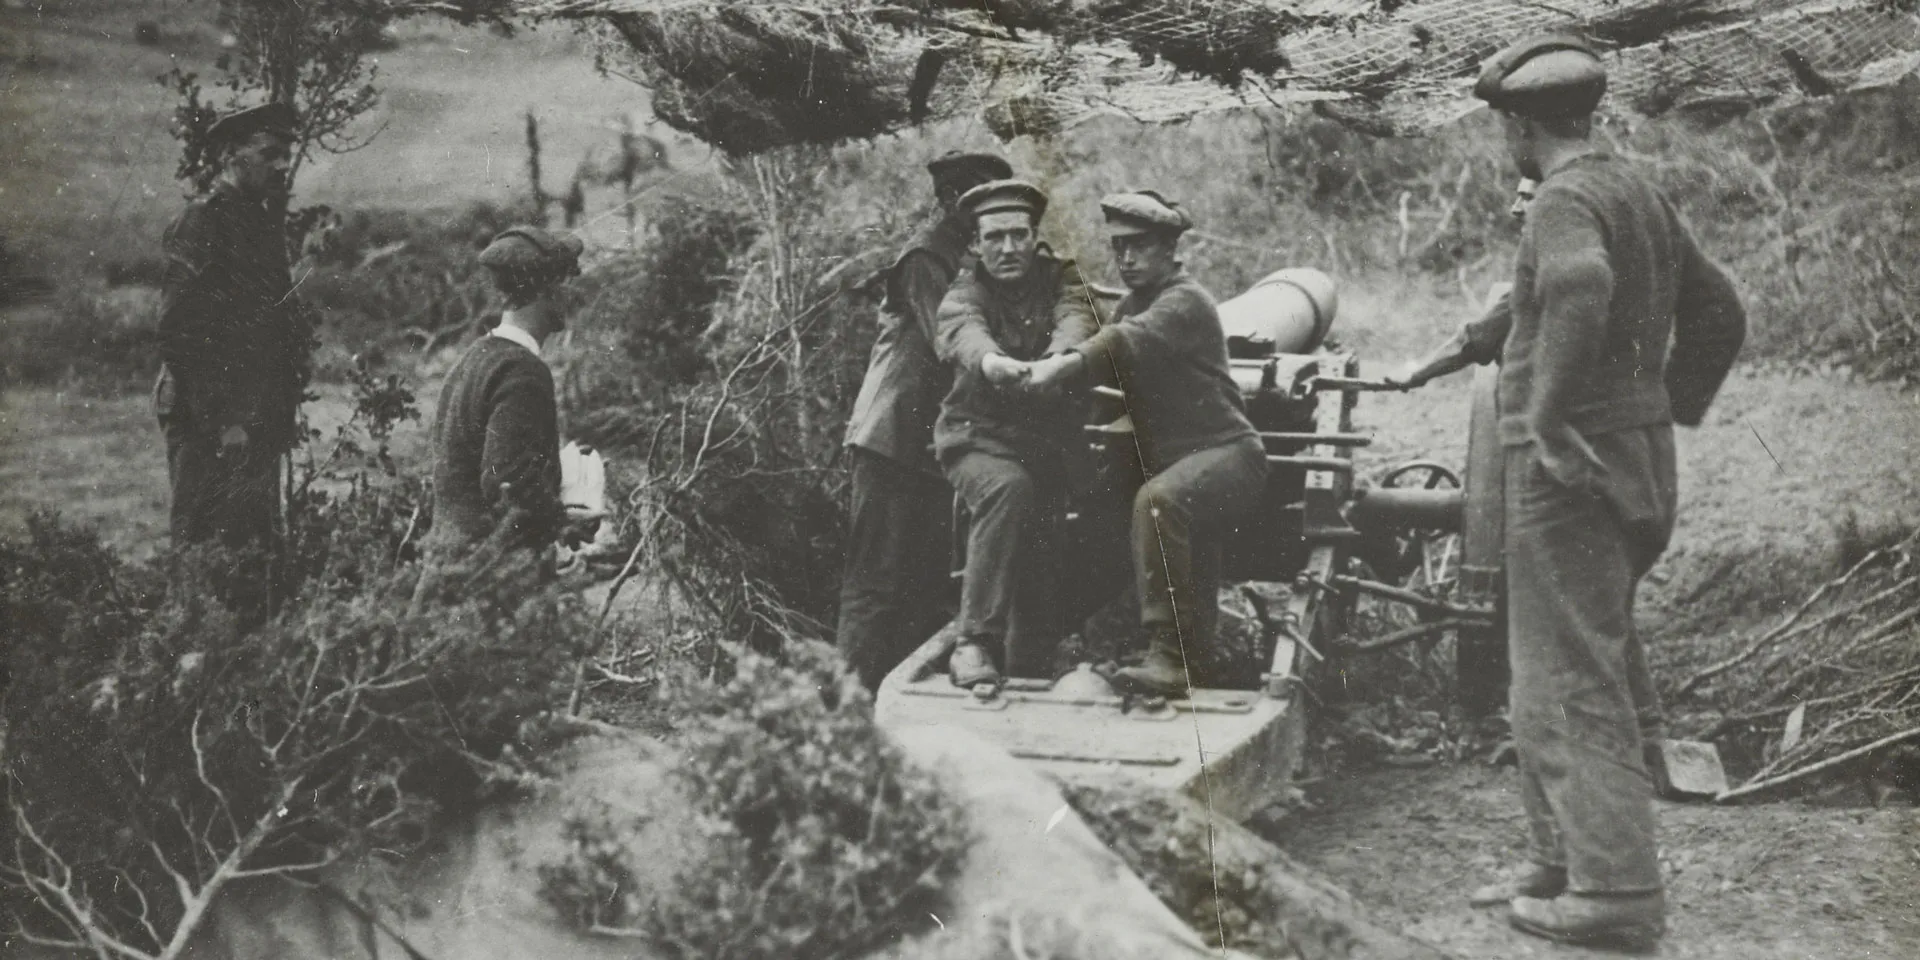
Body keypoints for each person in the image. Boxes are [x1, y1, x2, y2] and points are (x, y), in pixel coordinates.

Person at [1398, 33, 1746, 949]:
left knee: (1567, 679)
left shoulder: (1560, 199)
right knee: (1550, 664)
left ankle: (1615, 893)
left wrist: (1552, 422)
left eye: (1502, 128)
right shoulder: (1632, 191)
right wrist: (1657, 407)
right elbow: (1720, 309)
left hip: (1565, 471)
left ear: (1519, 126)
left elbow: (1579, 287)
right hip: (1630, 460)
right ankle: (1559, 862)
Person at [1023, 190, 1267, 697]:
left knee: (1158, 504)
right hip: (1186, 460)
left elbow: (1117, 345)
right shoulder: (1137, 303)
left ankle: (1169, 657)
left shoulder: (1184, 300)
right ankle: (1186, 661)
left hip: (1229, 454)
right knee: (1151, 517)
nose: (1127, 259)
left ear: (1170, 248)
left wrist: (1061, 366)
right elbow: (1108, 380)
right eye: (1118, 248)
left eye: (1139, 246)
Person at [837, 149, 1013, 691]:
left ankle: (893, 705)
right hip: (892, 440)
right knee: (876, 584)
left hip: (933, 446)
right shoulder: (927, 259)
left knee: (922, 583)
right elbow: (954, 340)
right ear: (947, 202)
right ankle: (847, 711)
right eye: (975, 199)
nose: (986, 211)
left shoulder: (969, 260)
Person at [934, 179, 1100, 687]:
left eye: (1018, 236)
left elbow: (1079, 315)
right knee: (1007, 490)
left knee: (1044, 546)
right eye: (994, 238)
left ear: (1035, 237)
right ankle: (973, 643)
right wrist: (992, 362)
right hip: (975, 440)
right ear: (977, 245)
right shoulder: (966, 291)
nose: (1007, 249)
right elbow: (962, 331)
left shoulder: (1061, 277)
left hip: (1045, 447)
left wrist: (1058, 361)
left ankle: (1030, 665)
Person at [156, 102, 308, 561]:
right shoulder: (204, 221)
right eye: (268, 152)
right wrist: (224, 420)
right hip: (211, 416)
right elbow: (182, 333)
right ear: (228, 155)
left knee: (250, 551)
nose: (281, 164)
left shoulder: (260, 221)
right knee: (203, 549)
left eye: (286, 153)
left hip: (253, 415)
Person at [418, 226, 589, 589]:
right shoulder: (522, 370)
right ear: (548, 290)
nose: (573, 292)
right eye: (567, 280)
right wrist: (562, 522)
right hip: (483, 578)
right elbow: (508, 480)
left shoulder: (474, 357)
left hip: (450, 567)